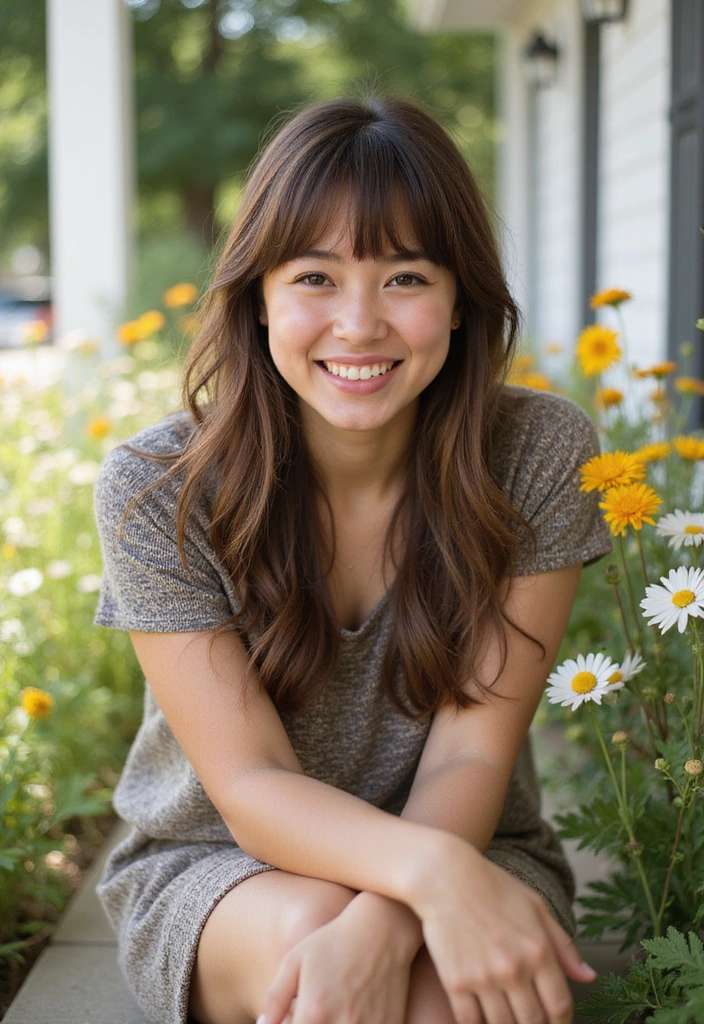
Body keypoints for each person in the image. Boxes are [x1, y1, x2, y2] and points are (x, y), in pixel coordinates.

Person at [94, 95, 611, 1024]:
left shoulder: (537, 452)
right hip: (223, 867)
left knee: (429, 990)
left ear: (461, 301)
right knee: (311, 946)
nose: (361, 324)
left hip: (472, 845)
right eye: (316, 278)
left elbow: (468, 757)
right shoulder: (156, 486)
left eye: (406, 277)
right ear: (258, 296)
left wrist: (399, 911)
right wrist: (421, 883)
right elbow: (250, 786)